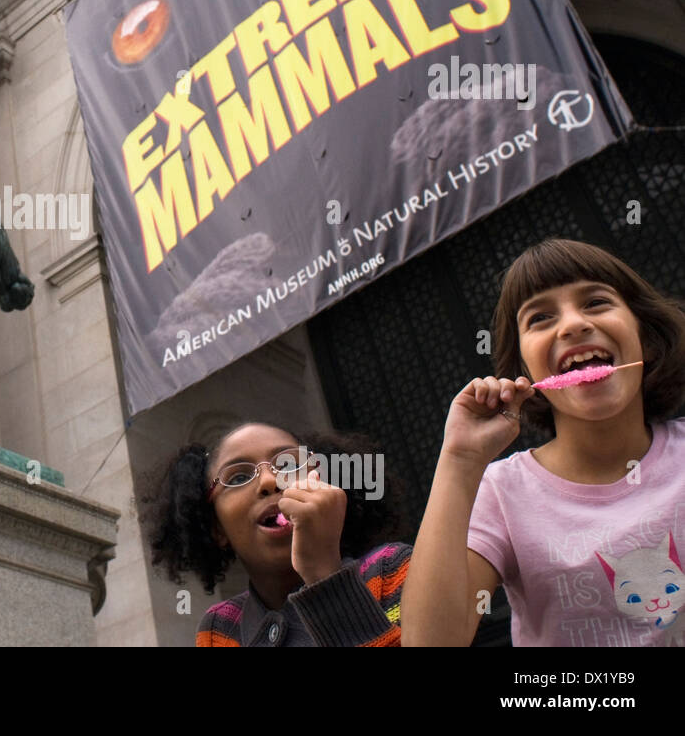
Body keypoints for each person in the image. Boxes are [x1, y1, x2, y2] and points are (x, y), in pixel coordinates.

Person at [403, 238, 685, 647]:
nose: (572, 325)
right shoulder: (500, 493)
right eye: (539, 318)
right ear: (523, 370)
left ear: (645, 336)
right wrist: (460, 460)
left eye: (596, 303)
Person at [144, 422, 410, 646]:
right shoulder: (221, 630)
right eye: (237, 478)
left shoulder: (392, 569)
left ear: (328, 486)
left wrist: (325, 575)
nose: (270, 481)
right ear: (217, 528)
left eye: (288, 464)